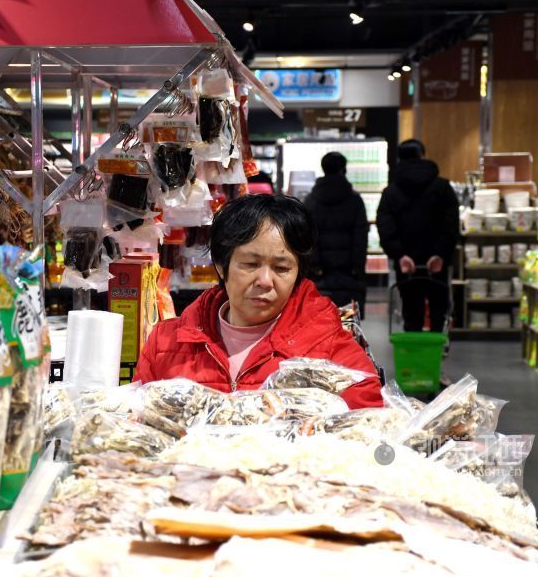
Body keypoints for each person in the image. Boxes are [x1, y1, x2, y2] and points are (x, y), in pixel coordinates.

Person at [134, 195, 383, 409]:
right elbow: (136, 425)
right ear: (221, 265)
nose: (265, 280)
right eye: (250, 264)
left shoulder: (330, 347)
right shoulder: (165, 343)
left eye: (282, 268)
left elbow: (367, 427)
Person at [376, 139, 460, 332]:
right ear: (422, 155)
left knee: (411, 312)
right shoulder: (442, 187)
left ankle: (413, 356)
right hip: (436, 263)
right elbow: (451, 224)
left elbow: (385, 225)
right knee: (438, 313)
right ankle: (435, 355)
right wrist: (440, 253)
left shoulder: (391, 191)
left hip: (407, 264)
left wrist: (399, 254)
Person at [304, 151, 368, 314]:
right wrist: (357, 266)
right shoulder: (354, 200)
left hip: (321, 274)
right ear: (343, 170)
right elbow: (360, 235)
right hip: (349, 273)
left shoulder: (311, 200)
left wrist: (315, 265)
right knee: (347, 320)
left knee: (321, 320)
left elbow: (307, 235)